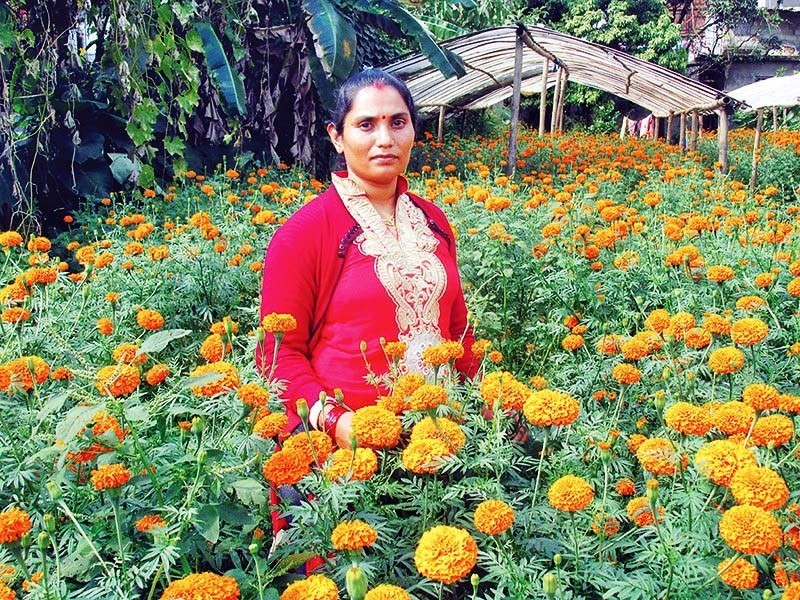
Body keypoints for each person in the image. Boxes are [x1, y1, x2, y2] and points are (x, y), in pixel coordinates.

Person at [257, 68, 477, 449]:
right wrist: (335, 422)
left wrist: (489, 401)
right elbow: (278, 353)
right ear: (337, 137)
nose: (385, 139)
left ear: (412, 131)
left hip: (440, 442)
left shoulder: (434, 221)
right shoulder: (305, 233)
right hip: (346, 456)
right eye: (366, 125)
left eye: (397, 122)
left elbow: (457, 332)